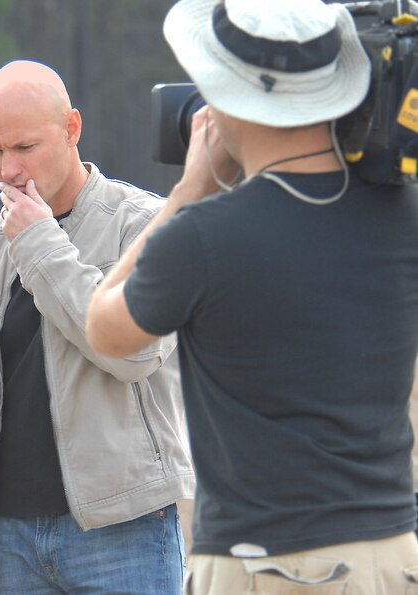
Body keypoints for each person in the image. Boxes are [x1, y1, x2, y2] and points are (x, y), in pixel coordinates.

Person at [85, 0, 418, 593]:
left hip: (264, 562)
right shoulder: (403, 216)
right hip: (391, 553)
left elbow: (105, 329)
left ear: (226, 97)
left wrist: (189, 192)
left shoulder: (202, 236)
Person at [0, 59, 195, 594]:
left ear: (72, 128)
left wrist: (41, 246)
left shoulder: (145, 226)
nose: (8, 170)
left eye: (24, 148)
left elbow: (133, 354)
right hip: (7, 548)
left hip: (125, 534)